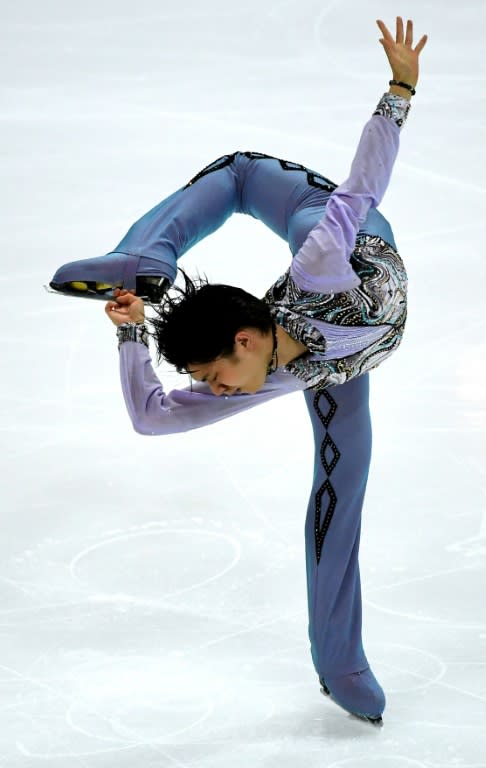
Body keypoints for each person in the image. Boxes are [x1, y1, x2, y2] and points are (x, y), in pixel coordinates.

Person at [49, 17, 428, 724]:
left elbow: (362, 184)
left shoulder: (318, 264)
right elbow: (151, 416)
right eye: (207, 380)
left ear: (246, 341)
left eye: (215, 372)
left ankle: (146, 255)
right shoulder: (260, 373)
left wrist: (401, 86)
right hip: (333, 371)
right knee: (339, 500)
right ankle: (341, 663)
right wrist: (131, 335)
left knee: (242, 171)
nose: (212, 390)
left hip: (340, 240)